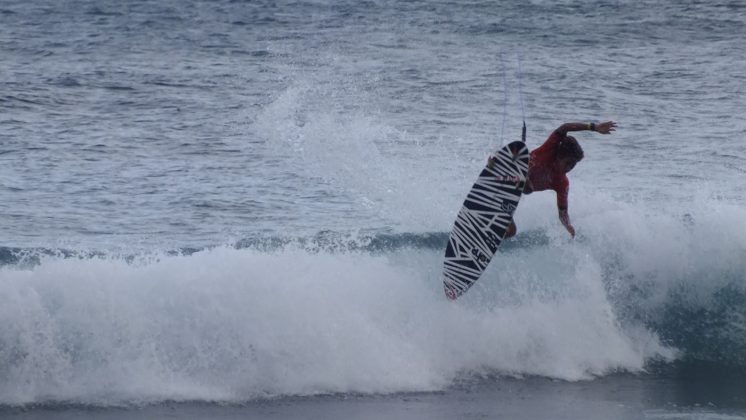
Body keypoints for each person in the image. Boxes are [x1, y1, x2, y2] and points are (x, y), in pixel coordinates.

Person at [505, 120, 617, 239]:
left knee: (511, 231)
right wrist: (593, 127)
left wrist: (567, 225)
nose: (569, 168)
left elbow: (563, 212)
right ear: (559, 156)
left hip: (511, 192)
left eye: (573, 165)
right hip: (511, 168)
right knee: (528, 186)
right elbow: (565, 127)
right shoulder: (550, 148)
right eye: (568, 163)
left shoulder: (562, 183)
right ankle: (495, 166)